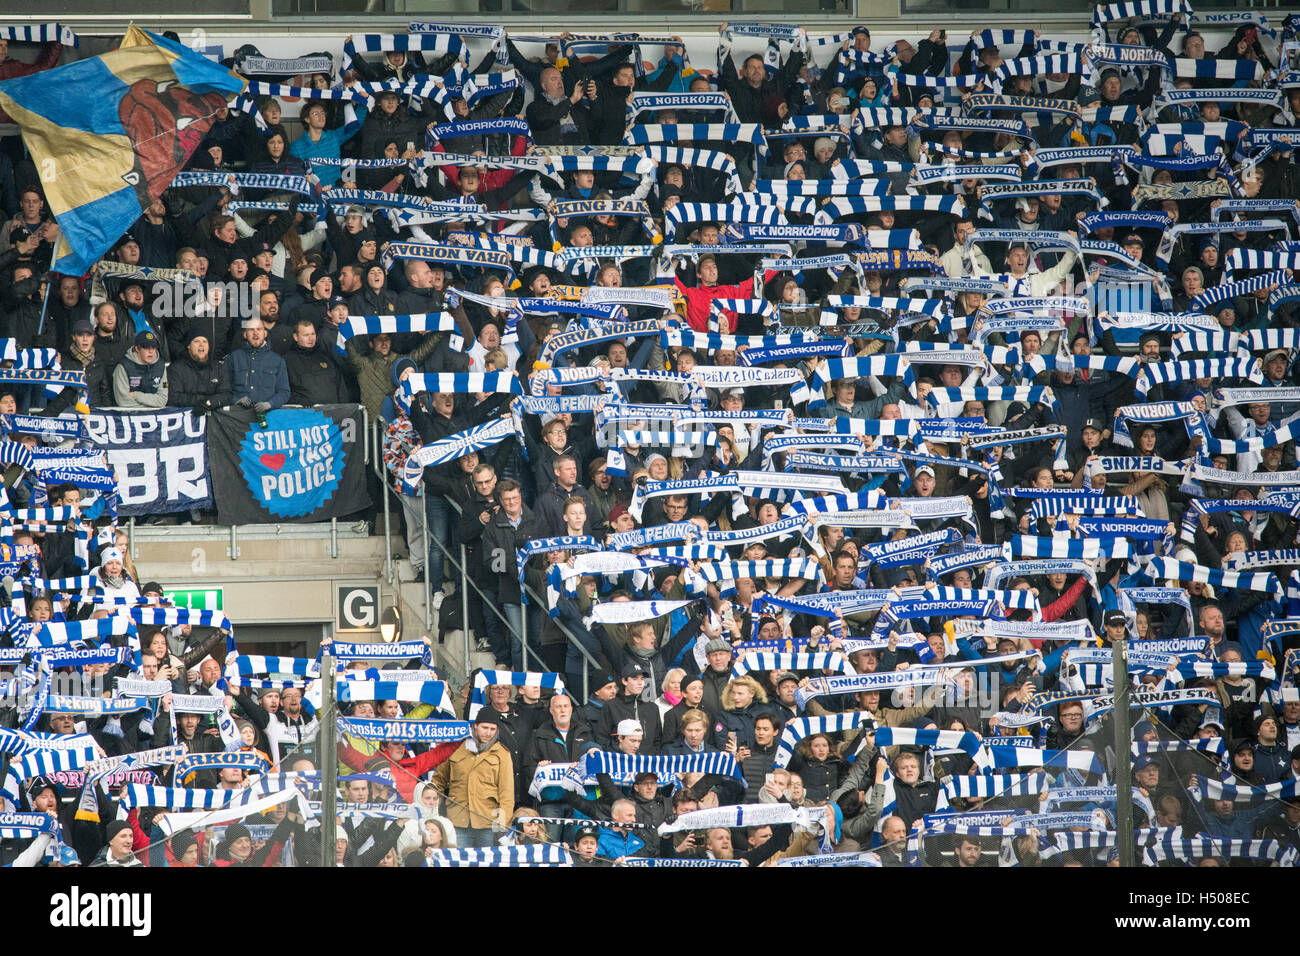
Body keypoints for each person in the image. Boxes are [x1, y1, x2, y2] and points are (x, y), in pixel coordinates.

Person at [431, 709, 515, 848]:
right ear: (475, 726)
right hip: (457, 819)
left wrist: (503, 824)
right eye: (484, 728)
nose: (488, 733)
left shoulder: (502, 753)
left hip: (488, 821)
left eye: (493, 729)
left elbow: (507, 792)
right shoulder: (456, 747)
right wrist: (433, 811)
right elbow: (438, 781)